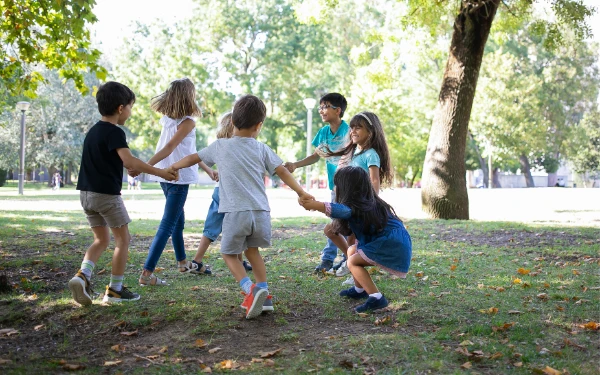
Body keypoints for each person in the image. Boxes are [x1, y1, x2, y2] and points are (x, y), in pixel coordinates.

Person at [171, 94, 313, 319]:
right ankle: (264, 294)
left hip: (236, 213)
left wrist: (174, 166)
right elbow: (283, 171)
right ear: (259, 126)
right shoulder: (261, 148)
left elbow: (193, 158)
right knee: (253, 252)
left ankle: (250, 290)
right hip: (261, 213)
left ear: (232, 122)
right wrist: (301, 192)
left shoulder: (220, 146)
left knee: (228, 253)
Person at [68, 81, 178, 306]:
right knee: (123, 240)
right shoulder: (115, 132)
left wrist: (128, 166)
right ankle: (115, 290)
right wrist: (161, 172)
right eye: (130, 106)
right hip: (106, 196)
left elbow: (111, 160)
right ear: (120, 108)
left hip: (86, 195)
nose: (130, 111)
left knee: (100, 239)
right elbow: (129, 160)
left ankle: (83, 276)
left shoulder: (93, 132)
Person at [132, 78, 215, 286]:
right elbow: (169, 147)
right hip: (177, 177)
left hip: (166, 176)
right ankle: (147, 273)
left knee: (178, 220)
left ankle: (182, 262)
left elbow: (189, 151)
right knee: (168, 223)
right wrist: (144, 166)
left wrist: (207, 168)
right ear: (189, 96)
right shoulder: (187, 122)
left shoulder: (168, 120)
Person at [299, 166, 411, 313]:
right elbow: (344, 229)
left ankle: (377, 298)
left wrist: (317, 205)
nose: (335, 189)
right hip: (392, 242)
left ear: (347, 188)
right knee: (352, 251)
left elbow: (342, 210)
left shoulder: (357, 206)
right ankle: (360, 289)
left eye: (337, 185)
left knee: (353, 261)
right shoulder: (367, 203)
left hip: (390, 244)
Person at [284, 93, 350, 273]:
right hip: (335, 186)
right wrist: (295, 165)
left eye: (325, 106)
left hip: (351, 187)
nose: (321, 111)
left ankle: (332, 259)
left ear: (338, 110)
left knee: (340, 223)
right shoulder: (323, 133)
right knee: (336, 222)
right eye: (320, 107)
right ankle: (343, 258)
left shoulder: (349, 131)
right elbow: (315, 156)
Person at [324, 111, 393, 282]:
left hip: (361, 206)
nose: (353, 131)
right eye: (352, 127)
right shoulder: (354, 153)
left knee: (352, 239)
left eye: (358, 128)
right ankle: (350, 262)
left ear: (370, 132)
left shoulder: (371, 154)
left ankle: (354, 270)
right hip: (349, 203)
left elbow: (374, 180)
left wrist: (372, 203)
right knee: (333, 231)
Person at [188, 112, 253, 277]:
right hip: (231, 193)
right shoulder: (239, 146)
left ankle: (199, 260)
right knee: (235, 225)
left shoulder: (220, 145)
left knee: (214, 226)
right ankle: (198, 261)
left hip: (220, 190)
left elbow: (198, 156)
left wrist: (212, 171)